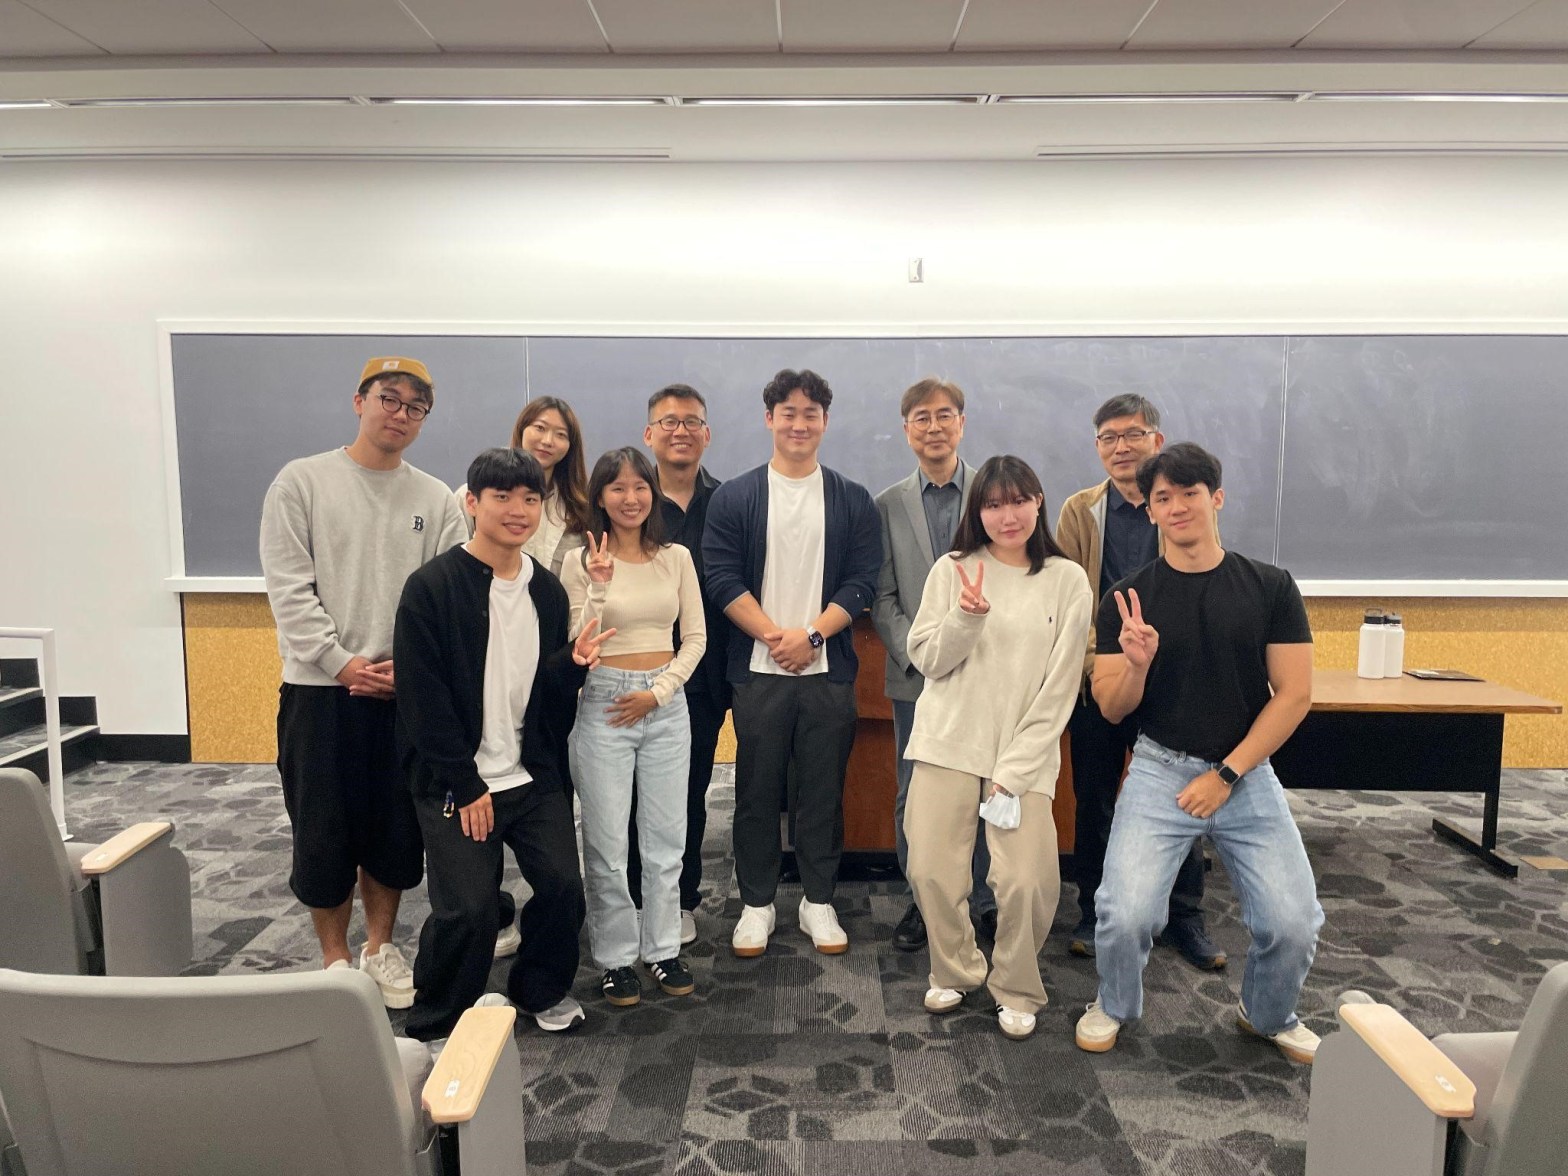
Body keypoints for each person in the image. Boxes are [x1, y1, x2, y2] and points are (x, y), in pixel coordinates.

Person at [1074, 443, 1324, 1064]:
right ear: (1150, 511)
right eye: (1163, 497)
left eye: (1190, 493)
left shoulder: (1270, 587)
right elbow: (1111, 708)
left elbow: (1294, 694)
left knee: (1293, 923)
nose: (1178, 506)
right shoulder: (1128, 599)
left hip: (1245, 772)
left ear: (1216, 498)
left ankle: (1268, 1015)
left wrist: (1228, 774)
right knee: (1124, 915)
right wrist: (1137, 665)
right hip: (1160, 768)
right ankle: (1114, 1003)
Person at [260, 356, 466, 1008]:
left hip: (402, 696)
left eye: (415, 406)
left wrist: (412, 669)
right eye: (389, 398)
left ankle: (379, 946)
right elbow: (289, 589)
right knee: (322, 832)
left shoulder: (435, 499)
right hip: (321, 694)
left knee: (393, 832)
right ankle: (335, 959)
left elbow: (450, 598)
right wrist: (340, 662)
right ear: (360, 400)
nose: (400, 414)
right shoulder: (302, 482)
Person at [394, 447, 614, 1041]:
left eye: (530, 498)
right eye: (502, 497)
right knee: (468, 908)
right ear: (472, 503)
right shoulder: (431, 588)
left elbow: (542, 690)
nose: (518, 510)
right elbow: (423, 700)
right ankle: (438, 1017)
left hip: (530, 774)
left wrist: (572, 664)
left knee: (565, 888)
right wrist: (465, 785)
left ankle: (538, 988)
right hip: (457, 779)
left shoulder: (546, 590)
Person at [903, 455, 1091, 1041]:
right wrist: (966, 617)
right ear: (977, 511)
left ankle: (1016, 985)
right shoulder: (954, 569)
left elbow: (1060, 686)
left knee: (1028, 882)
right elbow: (926, 659)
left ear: (1038, 502)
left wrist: (1014, 766)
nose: (1007, 516)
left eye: (1018, 501)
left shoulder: (1067, 580)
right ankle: (955, 968)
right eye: (993, 504)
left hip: (1022, 753)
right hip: (948, 742)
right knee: (930, 869)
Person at [703, 368, 880, 957]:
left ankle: (817, 900)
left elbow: (862, 579)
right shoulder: (736, 496)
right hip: (758, 672)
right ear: (769, 419)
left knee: (822, 791)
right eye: (788, 413)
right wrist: (776, 637)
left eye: (811, 414)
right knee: (755, 790)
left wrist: (812, 635)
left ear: (825, 422)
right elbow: (721, 576)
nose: (799, 424)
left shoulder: (852, 498)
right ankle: (756, 903)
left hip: (828, 672)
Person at [1055, 394, 1222, 969]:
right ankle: (1093, 910)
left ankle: (1184, 916)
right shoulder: (1080, 510)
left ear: (1157, 439)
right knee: (1095, 798)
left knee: (1182, 797)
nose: (1120, 447)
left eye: (1132, 434)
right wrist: (1096, 667)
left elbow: (1201, 579)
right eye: (1108, 437)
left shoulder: (1180, 504)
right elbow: (1069, 600)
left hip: (1169, 684)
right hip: (1100, 678)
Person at [561, 447, 707, 1007]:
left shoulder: (676, 558)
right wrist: (599, 586)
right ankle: (616, 958)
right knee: (607, 844)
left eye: (640, 486)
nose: (631, 498)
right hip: (604, 704)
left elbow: (695, 638)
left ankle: (663, 948)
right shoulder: (580, 561)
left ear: (654, 493)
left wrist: (658, 692)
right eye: (617, 488)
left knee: (667, 841)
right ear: (600, 496)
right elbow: (578, 644)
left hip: (665, 705)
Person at [871, 377, 994, 954]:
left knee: (984, 787)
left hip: (986, 672)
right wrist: (923, 656)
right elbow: (883, 597)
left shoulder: (995, 494)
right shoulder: (887, 504)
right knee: (915, 792)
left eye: (945, 415)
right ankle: (922, 901)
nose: (934, 426)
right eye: (921, 417)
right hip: (916, 677)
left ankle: (984, 901)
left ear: (961, 423)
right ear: (907, 431)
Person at [627, 384, 731, 947]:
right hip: (634, 673)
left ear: (707, 434)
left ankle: (680, 898)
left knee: (689, 794)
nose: (680, 431)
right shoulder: (630, 501)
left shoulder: (730, 501)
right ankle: (631, 899)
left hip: (705, 676)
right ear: (650, 434)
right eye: (668, 422)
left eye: (692, 422)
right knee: (631, 797)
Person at [457, 397, 591, 577]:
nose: (548, 441)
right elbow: (454, 562)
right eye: (540, 428)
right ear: (522, 429)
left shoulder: (578, 505)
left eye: (561, 435)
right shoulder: (477, 492)